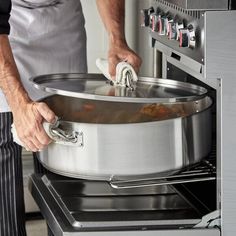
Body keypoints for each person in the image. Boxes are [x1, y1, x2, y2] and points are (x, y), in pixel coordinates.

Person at [0, 0, 141, 235]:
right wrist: (18, 104)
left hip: (62, 29)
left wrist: (117, 39)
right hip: (7, 41)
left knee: (66, 158)